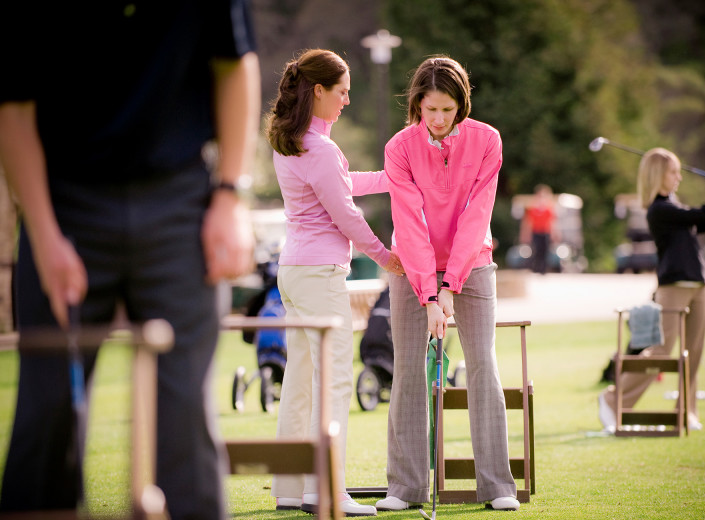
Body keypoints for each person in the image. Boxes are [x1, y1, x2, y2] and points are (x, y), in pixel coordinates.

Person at [0, 2, 260, 518]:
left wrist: (230, 198)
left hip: (180, 199)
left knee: (184, 415)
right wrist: (44, 232)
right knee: (46, 414)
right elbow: (14, 107)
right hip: (65, 202)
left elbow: (235, 66)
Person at [264, 48, 404, 517]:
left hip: (296, 274)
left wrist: (394, 179)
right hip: (319, 277)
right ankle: (328, 489)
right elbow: (344, 211)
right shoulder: (318, 146)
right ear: (318, 90)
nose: (346, 101)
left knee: (302, 381)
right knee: (334, 382)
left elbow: (341, 184)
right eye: (342, 92)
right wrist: (386, 256)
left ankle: (291, 488)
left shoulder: (299, 141)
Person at [377, 56, 520, 512]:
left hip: (472, 263)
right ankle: (405, 488)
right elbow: (411, 223)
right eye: (430, 109)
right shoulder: (399, 147)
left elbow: (476, 215)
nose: (438, 120)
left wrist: (451, 287)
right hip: (412, 267)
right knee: (406, 371)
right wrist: (429, 293)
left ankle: (498, 486)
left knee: (483, 365)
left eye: (447, 109)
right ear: (417, 104)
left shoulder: (488, 141)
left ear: (462, 105)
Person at [598, 147, 705, 433]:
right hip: (674, 286)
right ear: (657, 175)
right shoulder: (660, 210)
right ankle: (613, 399)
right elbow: (703, 213)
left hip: (698, 283)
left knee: (694, 352)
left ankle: (686, 412)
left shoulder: (673, 207)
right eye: (673, 172)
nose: (679, 178)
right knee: (662, 352)